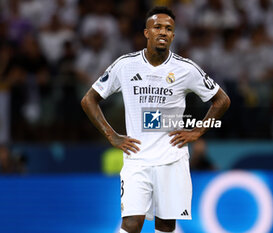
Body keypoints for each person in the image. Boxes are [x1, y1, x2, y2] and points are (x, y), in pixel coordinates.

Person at [81, 6, 230, 233]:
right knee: (131, 223)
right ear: (146, 33)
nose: (163, 32)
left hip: (172, 159)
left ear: (173, 35)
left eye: (168, 29)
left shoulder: (185, 69)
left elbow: (222, 100)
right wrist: (112, 135)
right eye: (157, 27)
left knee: (166, 225)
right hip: (137, 159)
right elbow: (89, 100)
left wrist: (197, 131)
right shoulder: (125, 65)